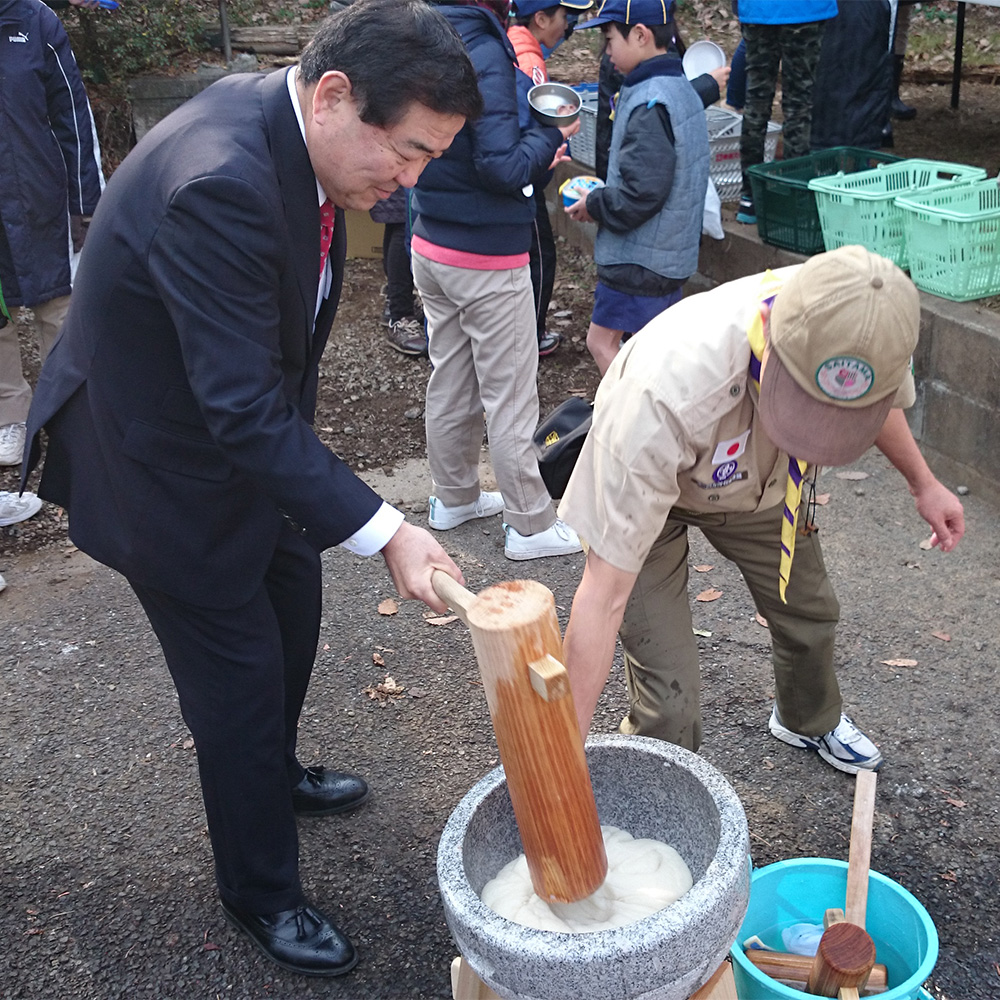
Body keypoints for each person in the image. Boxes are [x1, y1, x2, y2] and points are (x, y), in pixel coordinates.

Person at [21, 0, 482, 977]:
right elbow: (237, 403)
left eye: (429, 161)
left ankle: (270, 771)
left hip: (241, 445)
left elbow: (267, 364)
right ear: (332, 96)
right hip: (160, 465)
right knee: (234, 681)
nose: (407, 183)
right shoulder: (223, 183)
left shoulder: (289, 141)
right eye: (403, 152)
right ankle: (260, 890)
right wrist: (388, 528)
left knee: (294, 601)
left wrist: (326, 500)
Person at [558, 246, 965, 775]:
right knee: (670, 708)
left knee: (810, 612)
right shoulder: (660, 396)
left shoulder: (865, 318)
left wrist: (924, 482)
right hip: (652, 487)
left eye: (833, 423)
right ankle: (646, 800)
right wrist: (557, 764)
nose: (814, 434)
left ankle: (807, 719)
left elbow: (879, 401)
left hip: (761, 484)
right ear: (769, 328)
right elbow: (602, 599)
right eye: (800, 406)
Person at [412, 0, 583, 562]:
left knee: (452, 373)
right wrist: (551, 138)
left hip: (430, 240)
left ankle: (454, 496)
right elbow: (503, 167)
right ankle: (531, 525)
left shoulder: (420, 31)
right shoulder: (483, 47)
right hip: (485, 253)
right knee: (510, 392)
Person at [567, 0, 715, 376]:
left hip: (639, 261)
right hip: (668, 253)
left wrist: (596, 203)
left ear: (640, 35)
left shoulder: (651, 101)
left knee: (602, 344)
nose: (607, 51)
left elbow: (641, 192)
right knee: (650, 351)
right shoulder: (680, 88)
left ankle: (638, 425)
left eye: (609, 38)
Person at [0, 0, 104, 467]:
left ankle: (70, 416)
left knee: (59, 307)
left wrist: (86, 201)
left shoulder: (34, 19)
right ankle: (10, 419)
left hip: (38, 192)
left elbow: (73, 116)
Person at [508, 0, 593, 358]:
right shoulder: (529, 62)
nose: (567, 27)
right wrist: (556, 141)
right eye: (565, 18)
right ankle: (532, 336)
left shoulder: (513, 41)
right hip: (523, 179)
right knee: (541, 256)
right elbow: (532, 123)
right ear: (541, 19)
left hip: (514, 175)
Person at [735, 0, 838, 224]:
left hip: (758, 10)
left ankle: (749, 196)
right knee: (799, 104)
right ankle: (796, 194)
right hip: (805, 10)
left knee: (756, 101)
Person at [373, 187, 426, 355]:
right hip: (399, 173)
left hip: (393, 173)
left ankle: (395, 302)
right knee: (404, 223)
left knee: (398, 220)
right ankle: (401, 316)